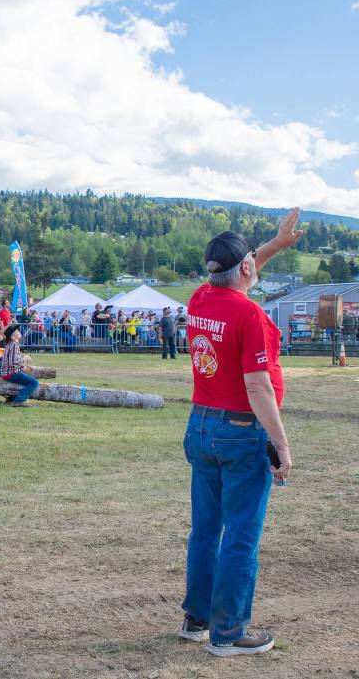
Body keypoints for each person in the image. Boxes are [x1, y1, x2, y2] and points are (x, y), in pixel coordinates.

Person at [178, 209, 300, 657]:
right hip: (241, 430)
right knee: (242, 536)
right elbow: (257, 385)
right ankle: (228, 634)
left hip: (202, 424)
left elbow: (237, 274)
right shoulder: (252, 317)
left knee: (206, 532)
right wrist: (282, 446)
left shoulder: (199, 299)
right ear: (245, 268)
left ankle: (197, 619)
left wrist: (274, 244)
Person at [0, 325, 38, 406]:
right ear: (12, 336)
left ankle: (12, 399)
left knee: (27, 379)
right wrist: (24, 359)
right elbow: (12, 363)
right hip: (11, 374)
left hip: (8, 373)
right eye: (17, 331)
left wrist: (22, 366)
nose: (19, 331)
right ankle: (18, 401)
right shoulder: (14, 345)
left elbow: (12, 361)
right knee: (34, 383)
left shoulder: (11, 344)